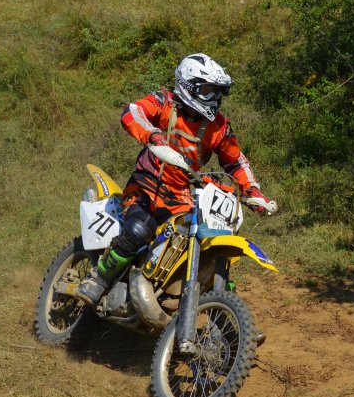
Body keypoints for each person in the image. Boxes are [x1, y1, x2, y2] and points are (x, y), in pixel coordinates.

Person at [76, 53, 277, 306]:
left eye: (217, 92)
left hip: (182, 197)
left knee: (201, 241)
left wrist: (253, 191)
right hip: (146, 187)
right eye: (207, 91)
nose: (214, 98)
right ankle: (98, 279)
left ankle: (217, 310)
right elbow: (133, 112)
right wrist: (152, 134)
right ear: (188, 86)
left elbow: (235, 161)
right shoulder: (165, 102)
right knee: (139, 229)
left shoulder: (219, 126)